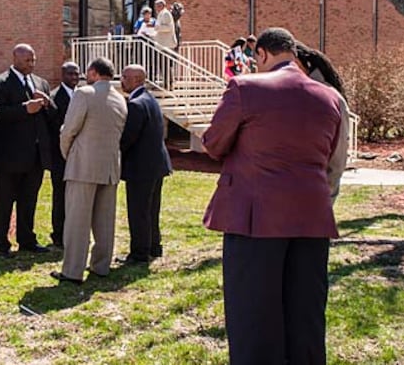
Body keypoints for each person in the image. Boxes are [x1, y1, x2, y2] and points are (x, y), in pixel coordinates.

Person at [202, 27, 343, 364]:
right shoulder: (330, 97)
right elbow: (330, 154)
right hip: (312, 218)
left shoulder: (245, 87)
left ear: (261, 54)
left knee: (253, 319)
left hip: (255, 219)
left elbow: (213, 143)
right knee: (305, 317)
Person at [51, 57, 127, 284]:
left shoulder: (84, 94)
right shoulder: (120, 99)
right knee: (105, 220)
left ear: (93, 72)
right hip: (110, 166)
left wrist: (69, 154)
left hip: (83, 165)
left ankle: (73, 271)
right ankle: (101, 265)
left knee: (77, 220)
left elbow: (69, 130)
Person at [0, 44, 53, 256]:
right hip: (9, 154)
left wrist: (46, 103)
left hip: (35, 155)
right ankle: (1, 243)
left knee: (29, 200)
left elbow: (53, 116)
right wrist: (24, 109)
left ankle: (27, 239)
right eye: (27, 60)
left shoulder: (41, 83)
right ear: (15, 58)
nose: (31, 64)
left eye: (33, 60)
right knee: (4, 201)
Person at [119, 65, 172, 263]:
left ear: (136, 80)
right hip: (157, 164)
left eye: (124, 77)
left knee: (139, 211)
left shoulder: (136, 104)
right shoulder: (150, 99)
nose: (121, 80)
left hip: (141, 167)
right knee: (152, 209)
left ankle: (140, 253)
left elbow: (128, 138)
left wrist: (114, 151)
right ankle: (154, 246)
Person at [295, 41, 350, 205]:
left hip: (316, 197)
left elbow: (338, 156)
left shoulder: (329, 98)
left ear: (300, 64)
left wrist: (326, 195)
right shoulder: (291, 94)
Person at [48, 61, 81, 248]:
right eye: (70, 74)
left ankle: (73, 232)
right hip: (60, 156)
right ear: (62, 75)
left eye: (76, 74)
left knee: (76, 197)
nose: (74, 78)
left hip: (79, 155)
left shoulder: (83, 95)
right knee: (60, 197)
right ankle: (59, 235)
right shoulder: (54, 98)